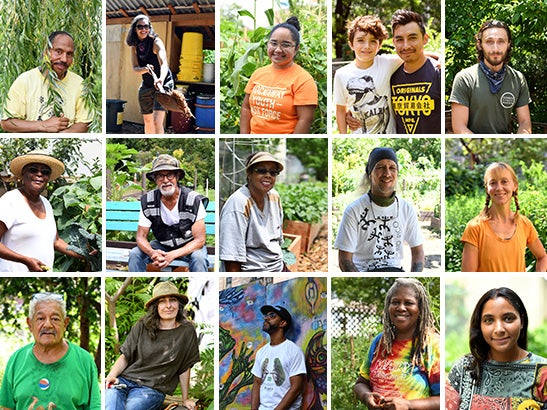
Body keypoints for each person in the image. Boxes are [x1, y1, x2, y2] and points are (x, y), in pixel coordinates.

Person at [446, 287, 547, 410]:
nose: (499, 329)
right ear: (480, 325)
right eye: (489, 320)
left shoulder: (544, 372)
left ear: (522, 321)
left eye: (508, 318)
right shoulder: (464, 368)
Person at [105, 281, 200, 410]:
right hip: (125, 380)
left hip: (152, 389)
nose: (168, 306)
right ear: (156, 306)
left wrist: (185, 399)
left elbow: (185, 367)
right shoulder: (142, 325)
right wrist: (112, 376)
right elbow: (125, 356)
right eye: (162, 301)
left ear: (179, 304)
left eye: (172, 300)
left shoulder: (187, 331)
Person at [0, 292, 100, 410]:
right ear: (30, 324)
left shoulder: (84, 361)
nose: (47, 324)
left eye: (55, 319)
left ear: (65, 323)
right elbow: (7, 407)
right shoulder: (16, 360)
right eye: (40, 318)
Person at [354, 278, 440, 410]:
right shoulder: (380, 342)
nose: (401, 308)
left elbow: (444, 399)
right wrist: (366, 396)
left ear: (420, 309)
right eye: (395, 302)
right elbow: (360, 383)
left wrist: (408, 405)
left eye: (409, 303)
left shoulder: (430, 344)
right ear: (388, 306)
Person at [334, 147, 424, 272]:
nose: (387, 174)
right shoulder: (354, 210)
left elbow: (418, 253)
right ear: (370, 174)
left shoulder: (407, 209)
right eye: (380, 167)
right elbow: (345, 260)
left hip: (395, 271)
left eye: (392, 168)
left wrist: (411, 280)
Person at [0, 151, 86, 272]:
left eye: (45, 172)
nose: (39, 174)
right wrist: (25, 260)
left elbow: (56, 241)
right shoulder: (11, 200)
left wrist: (82, 253)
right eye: (33, 170)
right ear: (23, 174)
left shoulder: (46, 203)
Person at [128, 154, 210, 272]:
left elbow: (199, 240)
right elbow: (141, 237)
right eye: (160, 176)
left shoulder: (193, 200)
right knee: (135, 254)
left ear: (177, 177)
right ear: (155, 179)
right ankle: (134, 287)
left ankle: (199, 289)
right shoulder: (147, 201)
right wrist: (153, 253)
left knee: (199, 258)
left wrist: (173, 254)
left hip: (188, 246)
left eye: (170, 175)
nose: (165, 180)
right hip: (161, 246)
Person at [461, 162, 547, 272]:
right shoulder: (475, 228)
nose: (499, 188)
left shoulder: (525, 224)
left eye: (504, 182)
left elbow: (543, 257)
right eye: (493, 183)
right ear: (487, 188)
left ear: (514, 186)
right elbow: (469, 276)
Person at [450, 20, 532, 134]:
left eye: (501, 42)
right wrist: (482, 149)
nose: (495, 49)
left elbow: (525, 122)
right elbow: (459, 128)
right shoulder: (465, 78)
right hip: (474, 146)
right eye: (489, 42)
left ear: (508, 44)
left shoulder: (518, 79)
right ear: (479, 44)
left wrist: (517, 143)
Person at [1, 31, 91, 133]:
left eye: (69, 54)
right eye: (58, 51)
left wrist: (62, 136)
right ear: (46, 52)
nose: (64, 59)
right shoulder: (25, 80)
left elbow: (84, 122)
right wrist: (43, 125)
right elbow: (6, 122)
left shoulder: (79, 83)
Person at [240, 17, 318, 134]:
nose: (278, 50)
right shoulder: (258, 74)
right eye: (273, 43)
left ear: (296, 49)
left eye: (285, 45)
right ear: (268, 44)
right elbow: (246, 108)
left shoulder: (303, 80)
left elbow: (305, 120)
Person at [334, 16, 402, 134]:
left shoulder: (386, 63)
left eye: (373, 41)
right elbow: (340, 110)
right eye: (360, 40)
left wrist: (439, 58)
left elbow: (415, 55)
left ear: (379, 45)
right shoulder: (342, 74)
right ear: (351, 44)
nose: (367, 46)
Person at [219, 152, 286, 272]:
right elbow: (231, 259)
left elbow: (278, 241)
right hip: (252, 272)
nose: (268, 175)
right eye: (261, 171)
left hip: (277, 267)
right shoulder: (238, 204)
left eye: (273, 172)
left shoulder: (274, 197)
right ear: (249, 173)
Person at [390, 10, 441, 134]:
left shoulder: (438, 72)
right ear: (394, 42)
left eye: (412, 38)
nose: (406, 46)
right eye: (400, 40)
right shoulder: (390, 73)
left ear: (425, 39)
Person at [125, 14, 174, 134]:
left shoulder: (156, 42)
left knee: (157, 121)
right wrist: (145, 69)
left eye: (146, 26)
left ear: (149, 27)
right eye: (140, 27)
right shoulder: (134, 46)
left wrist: (161, 79)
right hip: (147, 84)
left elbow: (164, 64)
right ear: (135, 29)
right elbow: (136, 68)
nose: (143, 29)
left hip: (163, 82)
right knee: (148, 120)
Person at [251, 305, 306, 410]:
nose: (266, 318)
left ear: (282, 323)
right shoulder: (261, 352)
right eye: (266, 315)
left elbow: (296, 388)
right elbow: (257, 383)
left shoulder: (294, 351)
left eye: (272, 315)